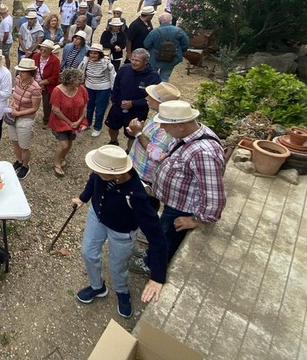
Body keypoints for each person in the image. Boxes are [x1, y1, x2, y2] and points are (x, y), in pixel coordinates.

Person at [130, 101, 226, 274]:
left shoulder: (203, 153)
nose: (165, 130)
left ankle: (151, 265)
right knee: (162, 233)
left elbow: (214, 196)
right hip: (175, 203)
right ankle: (150, 254)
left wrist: (196, 220)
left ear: (180, 125)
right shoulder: (190, 135)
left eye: (166, 126)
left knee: (167, 238)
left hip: (183, 209)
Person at [73, 146, 168, 319]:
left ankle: (122, 292)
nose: (94, 171)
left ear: (116, 174)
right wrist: (83, 198)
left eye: (98, 170)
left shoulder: (137, 196)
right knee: (88, 252)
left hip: (122, 232)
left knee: (117, 265)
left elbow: (157, 237)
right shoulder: (102, 171)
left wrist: (157, 276)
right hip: (97, 216)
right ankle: (97, 287)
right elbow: (93, 181)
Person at [104, 48, 161, 152]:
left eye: (137, 60)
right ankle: (113, 142)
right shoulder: (124, 69)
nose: (133, 62)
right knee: (112, 127)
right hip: (118, 107)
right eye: (132, 59)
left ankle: (128, 152)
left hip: (137, 112)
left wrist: (133, 103)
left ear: (146, 62)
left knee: (132, 135)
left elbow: (154, 99)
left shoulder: (153, 77)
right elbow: (116, 86)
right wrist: (115, 101)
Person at [127, 82, 182, 186]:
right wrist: (137, 132)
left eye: (151, 96)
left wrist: (138, 133)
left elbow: (156, 155)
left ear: (159, 102)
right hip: (136, 167)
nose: (146, 98)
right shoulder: (160, 115)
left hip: (143, 176)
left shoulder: (167, 126)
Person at [6, 58, 42, 180]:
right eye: (19, 71)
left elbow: (35, 108)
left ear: (31, 72)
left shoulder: (35, 88)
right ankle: (19, 161)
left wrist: (18, 113)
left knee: (24, 146)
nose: (20, 73)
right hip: (14, 115)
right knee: (14, 141)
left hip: (25, 118)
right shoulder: (17, 80)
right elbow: (14, 95)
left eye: (23, 71)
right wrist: (11, 104)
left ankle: (25, 166)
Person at [48, 68, 88, 177]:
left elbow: (84, 106)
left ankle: (62, 157)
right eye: (78, 79)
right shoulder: (57, 91)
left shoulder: (82, 89)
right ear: (70, 80)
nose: (81, 81)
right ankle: (57, 164)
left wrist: (78, 121)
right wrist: (70, 122)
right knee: (64, 144)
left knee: (70, 142)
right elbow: (55, 109)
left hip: (76, 121)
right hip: (60, 121)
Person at [78, 44, 116, 138]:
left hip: (103, 88)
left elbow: (113, 76)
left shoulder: (107, 63)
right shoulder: (85, 61)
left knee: (100, 109)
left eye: (95, 53)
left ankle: (97, 127)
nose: (93, 55)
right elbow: (80, 71)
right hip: (89, 87)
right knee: (89, 107)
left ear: (100, 54)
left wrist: (113, 89)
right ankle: (87, 123)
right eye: (91, 53)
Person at [143, 13, 190, 81]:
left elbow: (146, 44)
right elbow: (186, 44)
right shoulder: (179, 31)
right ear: (171, 21)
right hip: (172, 58)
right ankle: (162, 90)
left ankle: (151, 89)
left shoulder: (154, 32)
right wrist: (178, 51)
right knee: (165, 76)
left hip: (155, 57)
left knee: (152, 75)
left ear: (160, 21)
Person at [32, 39, 61, 126]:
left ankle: (47, 120)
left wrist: (42, 83)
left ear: (51, 51)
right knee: (31, 101)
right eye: (41, 49)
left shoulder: (55, 60)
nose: (43, 51)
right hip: (33, 83)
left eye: (46, 50)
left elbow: (55, 77)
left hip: (47, 86)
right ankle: (29, 117)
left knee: (47, 104)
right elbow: (30, 68)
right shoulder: (35, 56)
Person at [0, 4, 14, 69]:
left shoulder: (5, 21)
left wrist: (3, 42)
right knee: (6, 55)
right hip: (8, 40)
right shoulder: (9, 17)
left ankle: (6, 68)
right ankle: (7, 68)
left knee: (4, 56)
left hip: (5, 41)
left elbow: (6, 33)